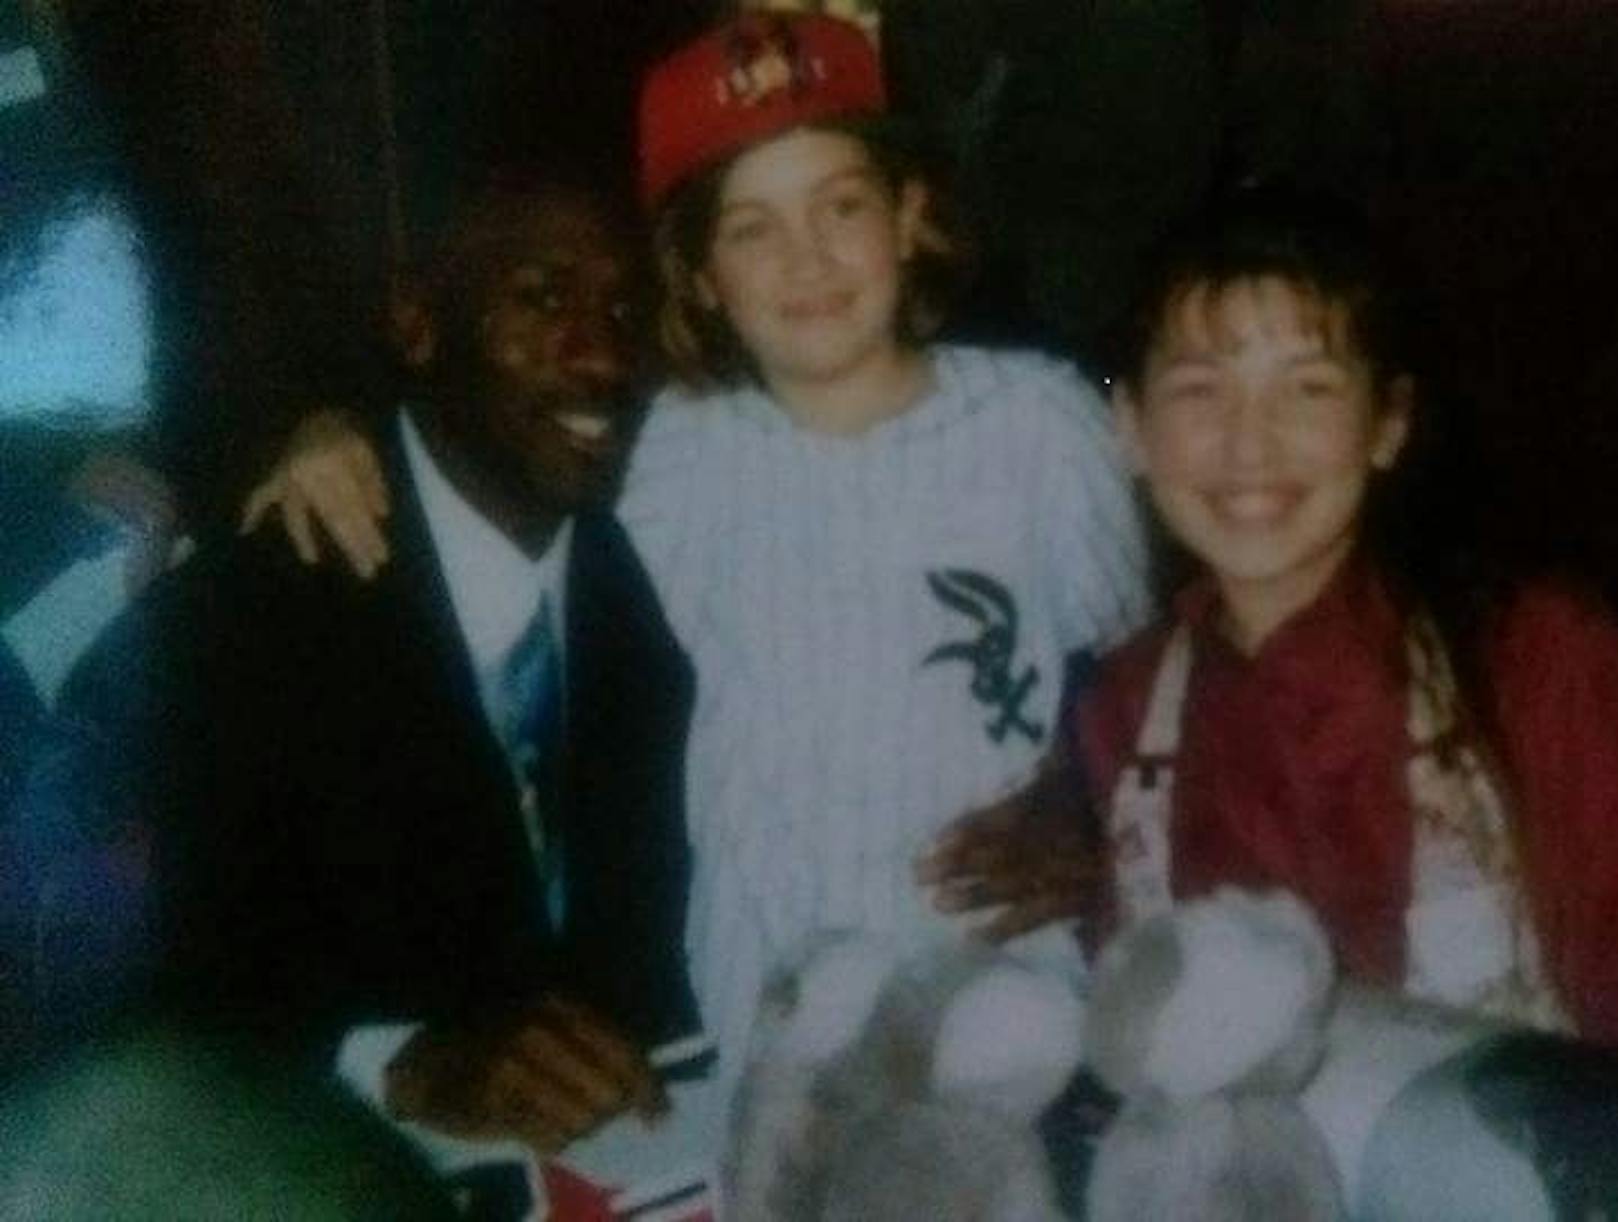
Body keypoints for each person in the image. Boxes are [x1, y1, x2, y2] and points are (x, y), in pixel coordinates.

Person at [237, 10, 1152, 1130]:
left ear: (911, 213)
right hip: (756, 1033)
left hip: (1013, 1002)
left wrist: (1092, 794)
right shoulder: (666, 451)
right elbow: (489, 457)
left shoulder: (1045, 424)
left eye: (843, 206)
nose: (806, 259)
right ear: (703, 276)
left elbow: (1144, 682)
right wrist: (322, 429)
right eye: (753, 229)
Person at [1078, 192, 1618, 1074]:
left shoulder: (1544, 663)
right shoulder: (1121, 710)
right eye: (1201, 389)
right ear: (1129, 426)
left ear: (1387, 424)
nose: (1251, 446)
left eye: (1308, 388)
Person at [92, 166, 698, 1155]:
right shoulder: (251, 614)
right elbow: (159, 986)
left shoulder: (656, 578)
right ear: (418, 324)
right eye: (543, 299)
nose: (602, 357)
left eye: (628, 309)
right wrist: (402, 1064)